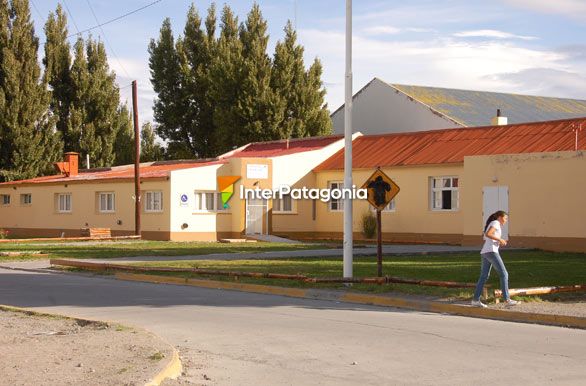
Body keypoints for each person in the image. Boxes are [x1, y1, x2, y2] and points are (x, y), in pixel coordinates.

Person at [471, 210, 520, 308]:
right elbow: (488, 234)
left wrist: (499, 241)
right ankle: (507, 300)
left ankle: (475, 300)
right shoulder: (496, 223)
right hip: (491, 252)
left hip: (485, 252)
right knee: (504, 274)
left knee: (484, 276)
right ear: (499, 217)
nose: (506, 221)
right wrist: (500, 239)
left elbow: (488, 235)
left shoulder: (494, 223)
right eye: (505, 218)